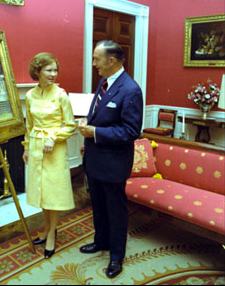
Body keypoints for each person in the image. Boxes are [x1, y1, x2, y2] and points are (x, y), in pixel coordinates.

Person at [78, 40, 143, 279]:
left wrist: (94, 132)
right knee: (98, 205)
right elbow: (99, 114)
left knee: (115, 210)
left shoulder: (131, 90)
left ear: (112, 61)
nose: (94, 63)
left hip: (114, 163)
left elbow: (130, 131)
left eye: (97, 58)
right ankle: (101, 241)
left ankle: (116, 255)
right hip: (95, 159)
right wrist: (88, 122)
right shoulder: (104, 83)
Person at [22, 52, 76, 259]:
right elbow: (30, 125)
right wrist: (26, 147)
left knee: (54, 192)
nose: (53, 74)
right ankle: (46, 228)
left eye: (55, 70)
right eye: (49, 70)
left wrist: (54, 138)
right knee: (42, 192)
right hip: (36, 146)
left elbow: (70, 125)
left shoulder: (61, 95)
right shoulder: (29, 95)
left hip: (55, 148)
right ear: (38, 71)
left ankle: (52, 233)